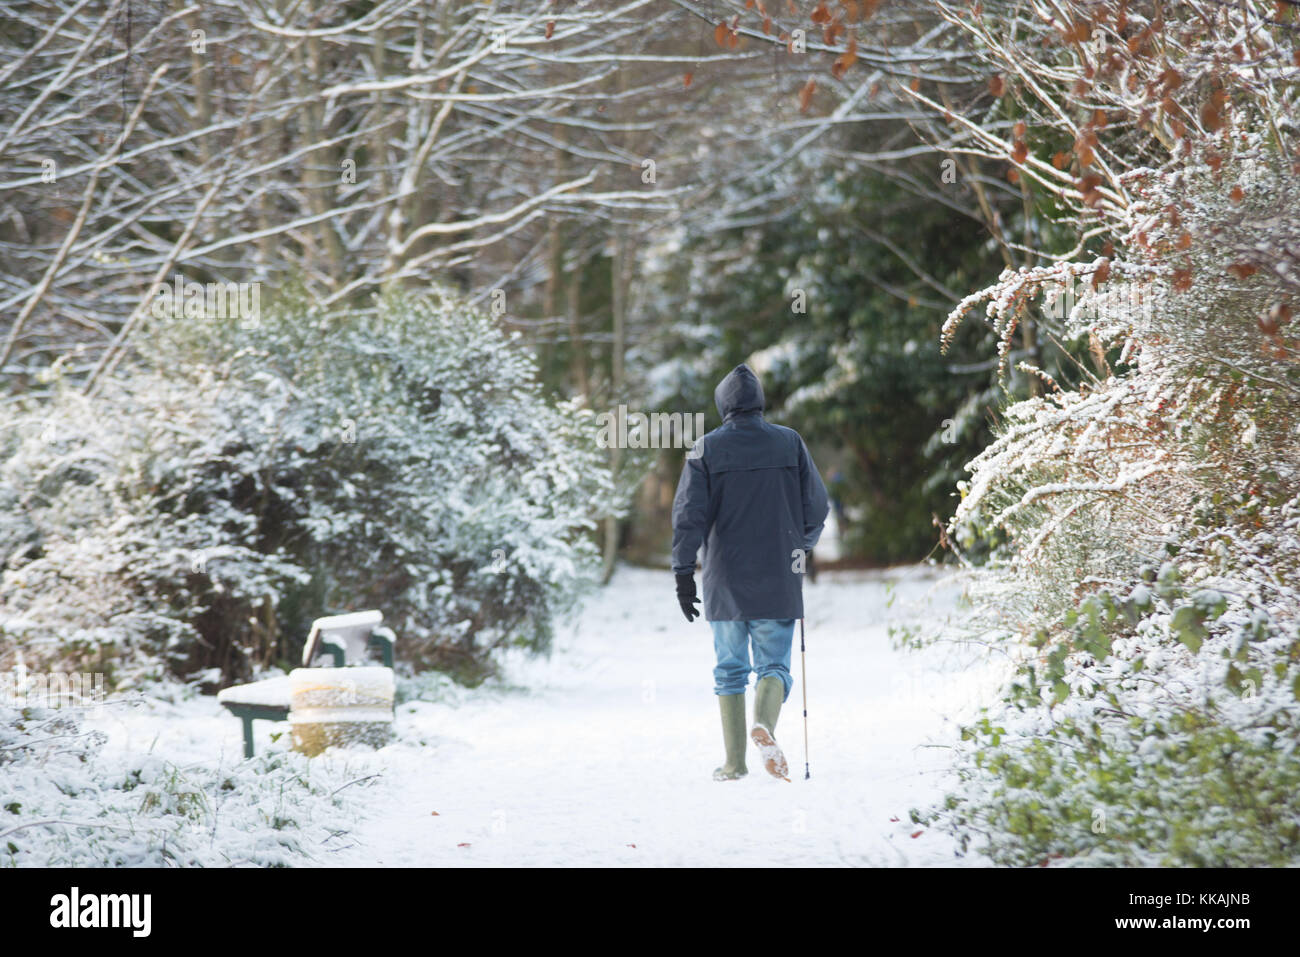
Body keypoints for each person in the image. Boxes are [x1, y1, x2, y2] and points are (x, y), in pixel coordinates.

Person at [671, 363, 829, 781]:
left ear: (723, 405)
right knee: (774, 665)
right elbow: (817, 507)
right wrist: (801, 544)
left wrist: (683, 573)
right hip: (779, 573)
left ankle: (735, 762)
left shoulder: (704, 448)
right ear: (759, 403)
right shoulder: (789, 442)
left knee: (729, 669)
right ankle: (766, 724)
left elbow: (689, 517)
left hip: (725, 577)